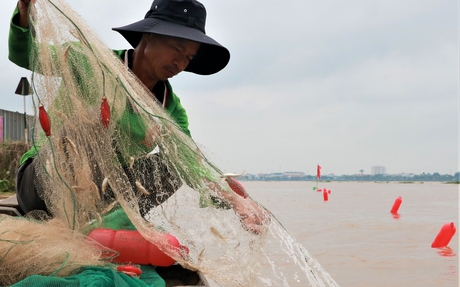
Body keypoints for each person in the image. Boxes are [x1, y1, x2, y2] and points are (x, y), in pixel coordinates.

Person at [9, 0, 267, 233]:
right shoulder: (89, 61)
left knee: (172, 167)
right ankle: (100, 226)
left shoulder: (169, 108)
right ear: (149, 35)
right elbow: (24, 54)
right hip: (43, 184)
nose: (180, 63)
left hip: (101, 197)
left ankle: (112, 224)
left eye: (188, 57)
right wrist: (24, 11)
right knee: (86, 126)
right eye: (177, 48)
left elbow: (191, 163)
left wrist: (237, 202)